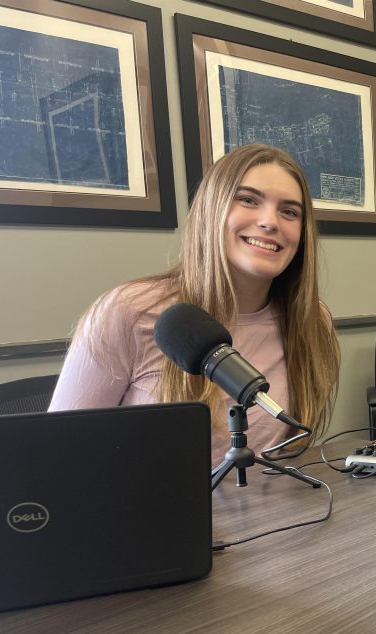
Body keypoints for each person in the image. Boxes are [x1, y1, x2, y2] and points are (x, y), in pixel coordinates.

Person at [50, 144, 340, 468]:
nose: (270, 222)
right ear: (212, 210)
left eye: (289, 211)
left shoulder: (311, 321)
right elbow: (59, 455)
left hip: (267, 513)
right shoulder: (129, 312)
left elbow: (287, 456)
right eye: (248, 200)